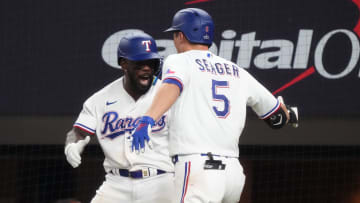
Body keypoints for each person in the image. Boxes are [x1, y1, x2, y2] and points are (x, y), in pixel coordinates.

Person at [130, 8, 299, 203]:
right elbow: (276, 119)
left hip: (198, 169)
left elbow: (172, 86)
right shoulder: (237, 71)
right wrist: (287, 114)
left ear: (181, 35)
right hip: (233, 175)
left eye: (175, 34)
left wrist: (148, 119)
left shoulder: (178, 60)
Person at [64, 32, 174, 203]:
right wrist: (72, 144)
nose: (147, 68)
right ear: (124, 63)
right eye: (140, 63)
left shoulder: (170, 94)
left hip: (161, 182)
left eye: (151, 63)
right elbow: (78, 132)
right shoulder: (100, 99)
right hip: (116, 184)